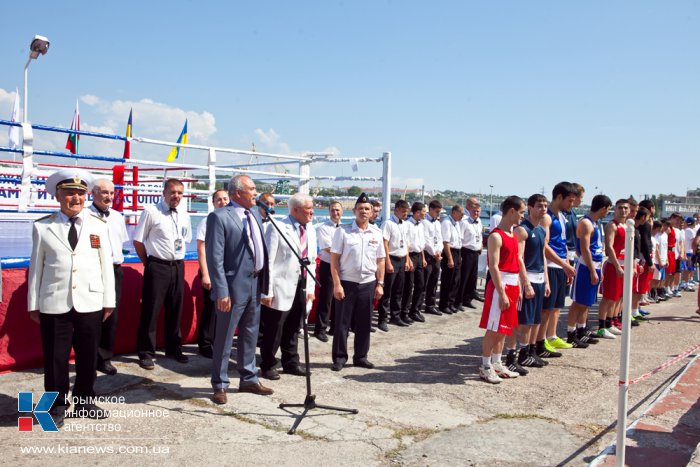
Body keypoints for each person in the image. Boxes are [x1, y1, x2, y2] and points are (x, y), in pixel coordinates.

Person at [28, 168, 115, 427]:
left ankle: (85, 400)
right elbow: (36, 269)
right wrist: (33, 304)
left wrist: (108, 301)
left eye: (80, 193)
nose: (75, 198)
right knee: (56, 356)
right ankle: (56, 403)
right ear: (58, 195)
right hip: (54, 302)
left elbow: (105, 266)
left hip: (90, 300)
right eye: (69, 193)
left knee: (88, 355)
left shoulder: (98, 227)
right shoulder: (43, 227)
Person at [206, 174, 272, 404]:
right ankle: (220, 383)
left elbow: (258, 248)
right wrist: (222, 291)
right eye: (251, 189)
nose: (255, 193)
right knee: (224, 338)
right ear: (237, 193)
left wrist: (265, 286)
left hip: (254, 284)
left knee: (250, 335)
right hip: (232, 288)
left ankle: (249, 378)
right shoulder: (219, 217)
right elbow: (215, 258)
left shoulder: (254, 213)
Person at [133, 178, 192, 370]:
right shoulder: (151, 212)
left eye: (180, 193)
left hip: (178, 266)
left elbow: (185, 238)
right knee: (151, 310)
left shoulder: (184, 214)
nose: (176, 196)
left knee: (176, 309)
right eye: (173, 192)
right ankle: (145, 352)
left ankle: (173, 347)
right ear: (164, 193)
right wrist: (148, 263)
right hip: (157, 266)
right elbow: (138, 241)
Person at [260, 193, 317, 380]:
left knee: (294, 326)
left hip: (300, 283)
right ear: (296, 209)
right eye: (309, 208)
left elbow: (312, 260)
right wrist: (266, 291)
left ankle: (291, 361)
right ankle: (268, 364)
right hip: (280, 285)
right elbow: (267, 261)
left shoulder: (310, 229)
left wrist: (310, 288)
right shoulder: (276, 226)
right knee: (274, 328)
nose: (312, 211)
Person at [478, 196, 532, 384]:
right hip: (500, 286)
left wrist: (522, 285)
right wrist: (501, 292)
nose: (522, 217)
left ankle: (497, 362)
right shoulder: (496, 235)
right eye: (522, 212)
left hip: (512, 284)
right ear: (512, 211)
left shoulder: (512, 235)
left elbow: (517, 261)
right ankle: (485, 366)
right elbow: (493, 266)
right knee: (493, 328)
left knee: (505, 328)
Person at [330, 193, 386, 371]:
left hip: (368, 283)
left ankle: (361, 356)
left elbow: (380, 261)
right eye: (360, 208)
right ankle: (339, 357)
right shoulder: (343, 231)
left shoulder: (377, 233)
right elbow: (334, 260)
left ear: (371, 213)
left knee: (365, 323)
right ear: (354, 211)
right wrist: (337, 284)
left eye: (367, 209)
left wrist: (380, 283)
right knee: (341, 323)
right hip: (347, 282)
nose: (364, 211)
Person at [88, 179, 129, 376]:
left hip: (114, 270)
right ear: (93, 193)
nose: (109, 197)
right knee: (90, 316)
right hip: (92, 269)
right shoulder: (84, 216)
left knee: (111, 315)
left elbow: (120, 242)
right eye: (104, 192)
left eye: (112, 193)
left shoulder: (118, 217)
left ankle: (104, 358)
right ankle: (88, 357)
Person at [538, 182, 577, 357]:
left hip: (561, 265)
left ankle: (551, 336)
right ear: (559, 197)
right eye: (569, 201)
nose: (572, 205)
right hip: (551, 266)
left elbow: (563, 244)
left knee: (556, 306)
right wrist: (563, 264)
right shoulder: (547, 218)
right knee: (546, 308)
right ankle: (541, 341)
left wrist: (567, 265)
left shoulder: (562, 216)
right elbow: (545, 246)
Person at [512, 194, 550, 369]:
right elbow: (519, 258)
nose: (543, 209)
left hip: (540, 278)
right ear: (530, 207)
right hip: (528, 279)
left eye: (545, 205)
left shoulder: (541, 230)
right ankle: (520, 354)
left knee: (536, 319)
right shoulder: (522, 230)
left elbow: (542, 256)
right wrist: (525, 283)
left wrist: (547, 281)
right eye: (539, 206)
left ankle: (531, 351)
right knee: (525, 321)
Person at [568, 195, 611, 343]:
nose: (607, 213)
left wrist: (599, 270)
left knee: (587, 302)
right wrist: (592, 270)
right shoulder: (586, 223)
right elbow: (584, 249)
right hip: (586, 265)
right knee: (578, 301)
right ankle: (571, 332)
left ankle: (582, 329)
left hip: (596, 265)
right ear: (603, 208)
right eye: (608, 210)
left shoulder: (596, 222)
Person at [195, 189, 230, 358]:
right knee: (210, 309)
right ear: (213, 203)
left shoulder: (232, 220)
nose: (222, 202)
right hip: (211, 271)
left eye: (225, 199)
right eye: (219, 200)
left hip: (226, 271)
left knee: (223, 310)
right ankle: (205, 343)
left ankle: (219, 341)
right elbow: (201, 248)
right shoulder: (207, 221)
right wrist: (205, 274)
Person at [378, 200, 412, 329]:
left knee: (399, 290)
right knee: (387, 292)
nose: (405, 214)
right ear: (396, 210)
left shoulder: (405, 224)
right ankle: (382, 319)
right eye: (403, 211)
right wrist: (387, 262)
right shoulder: (388, 224)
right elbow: (384, 243)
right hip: (391, 258)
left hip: (402, 258)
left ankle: (395, 316)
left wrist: (408, 259)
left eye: (406, 211)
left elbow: (406, 243)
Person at [599, 199, 630, 335]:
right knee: (608, 297)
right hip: (614, 265)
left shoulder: (628, 226)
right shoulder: (612, 225)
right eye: (620, 208)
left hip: (625, 264)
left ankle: (610, 321)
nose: (623, 210)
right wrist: (617, 266)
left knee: (618, 297)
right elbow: (609, 247)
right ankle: (602, 326)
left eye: (625, 208)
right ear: (615, 209)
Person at [314, 201, 343, 341]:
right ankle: (320, 329)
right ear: (329, 212)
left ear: (342, 211)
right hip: (328, 264)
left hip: (343, 265)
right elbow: (327, 248)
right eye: (332, 210)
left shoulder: (346, 227)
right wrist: (347, 252)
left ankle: (335, 327)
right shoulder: (323, 228)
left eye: (337, 210)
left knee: (340, 297)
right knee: (326, 298)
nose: (335, 213)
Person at [403, 202, 427, 323]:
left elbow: (421, 243)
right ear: (417, 212)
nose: (425, 213)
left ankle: (415, 310)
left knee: (421, 284)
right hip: (410, 256)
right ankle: (405, 312)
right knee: (409, 285)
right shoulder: (407, 224)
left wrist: (423, 258)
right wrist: (408, 259)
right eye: (424, 211)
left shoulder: (421, 225)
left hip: (418, 255)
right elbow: (406, 243)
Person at [458, 197, 484, 309]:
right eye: (474, 211)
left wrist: (481, 245)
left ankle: (467, 299)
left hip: (475, 252)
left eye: (478, 211)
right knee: (464, 278)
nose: (476, 213)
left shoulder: (479, 222)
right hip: (466, 252)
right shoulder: (464, 222)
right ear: (470, 211)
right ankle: (458, 301)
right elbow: (460, 238)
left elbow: (480, 235)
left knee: (472, 278)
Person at [439, 205, 464, 314]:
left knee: (456, 280)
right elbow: (446, 242)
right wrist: (450, 258)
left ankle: (451, 303)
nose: (463, 215)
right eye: (461, 213)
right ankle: (444, 304)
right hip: (450, 252)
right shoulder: (446, 223)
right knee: (447, 280)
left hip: (457, 252)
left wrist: (459, 256)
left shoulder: (457, 223)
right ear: (454, 212)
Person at [421, 200, 444, 316]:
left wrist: (439, 250)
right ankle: (418, 305)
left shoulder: (438, 223)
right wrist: (433, 252)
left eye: (439, 212)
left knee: (434, 281)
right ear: (430, 209)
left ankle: (430, 305)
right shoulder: (424, 223)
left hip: (436, 255)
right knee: (424, 282)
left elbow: (439, 238)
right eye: (436, 211)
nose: (438, 214)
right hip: (428, 255)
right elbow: (426, 240)